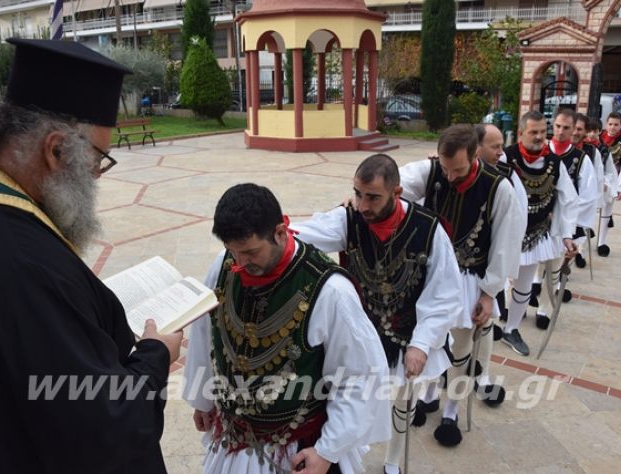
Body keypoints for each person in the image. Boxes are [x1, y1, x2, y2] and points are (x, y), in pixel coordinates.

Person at [0, 39, 183, 473]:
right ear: (55, 150)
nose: (96, 176)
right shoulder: (26, 267)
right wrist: (155, 355)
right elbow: (107, 433)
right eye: (98, 160)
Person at [183, 183, 391, 474]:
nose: (241, 263)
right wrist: (202, 400)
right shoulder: (225, 264)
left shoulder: (330, 291)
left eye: (251, 252)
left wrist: (327, 450)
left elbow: (362, 377)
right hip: (233, 437)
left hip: (295, 450)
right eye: (233, 251)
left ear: (280, 232)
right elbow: (206, 333)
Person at [291, 155, 461, 472]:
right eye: (357, 193)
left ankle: (392, 462)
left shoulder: (428, 229)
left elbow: (445, 292)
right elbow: (309, 233)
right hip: (362, 334)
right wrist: (274, 236)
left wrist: (421, 344)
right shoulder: (350, 218)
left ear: (397, 193)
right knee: (346, 402)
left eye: (372, 197)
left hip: (405, 336)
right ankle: (345, 458)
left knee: (401, 402)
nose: (362, 204)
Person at [397, 125, 524, 447]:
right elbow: (391, 182)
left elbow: (505, 244)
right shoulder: (431, 171)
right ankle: (429, 394)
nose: (450, 177)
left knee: (462, 352)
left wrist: (489, 293)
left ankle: (451, 410)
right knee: (430, 339)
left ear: (475, 155)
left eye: (459, 169)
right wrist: (360, 197)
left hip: (472, 279)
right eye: (445, 167)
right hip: (432, 274)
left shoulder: (499, 188)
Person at [501, 110, 578, 356]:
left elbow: (568, 200)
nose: (538, 137)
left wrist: (567, 234)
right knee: (493, 282)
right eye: (533, 132)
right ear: (521, 133)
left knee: (524, 284)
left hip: (536, 234)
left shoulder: (555, 163)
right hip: (504, 234)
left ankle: (512, 329)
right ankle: (487, 325)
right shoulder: (506, 158)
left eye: (542, 132)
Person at [532, 109, 597, 325]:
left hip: (561, 223)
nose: (560, 132)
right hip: (537, 219)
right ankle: (522, 302)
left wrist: (574, 228)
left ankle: (544, 309)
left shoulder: (580, 160)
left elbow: (587, 196)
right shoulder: (539, 151)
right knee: (530, 265)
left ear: (574, 131)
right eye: (557, 126)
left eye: (566, 128)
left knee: (554, 267)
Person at [474, 122, 528, 372]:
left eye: (501, 146)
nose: (500, 152)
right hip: (459, 262)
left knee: (485, 322)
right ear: (477, 147)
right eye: (494, 147)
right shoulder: (449, 170)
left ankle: (483, 377)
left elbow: (518, 216)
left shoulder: (507, 175)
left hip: (491, 259)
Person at [572, 113, 618, 268]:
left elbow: (602, 173)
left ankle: (580, 252)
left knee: (582, 226)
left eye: (580, 129)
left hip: (585, 195)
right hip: (567, 196)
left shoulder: (596, 151)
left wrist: (603, 189)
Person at [597, 111, 621, 256]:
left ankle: (602, 242)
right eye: (610, 124)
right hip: (594, 180)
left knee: (606, 211)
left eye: (616, 125)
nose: (612, 127)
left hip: (611, 182)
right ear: (606, 123)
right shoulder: (596, 137)